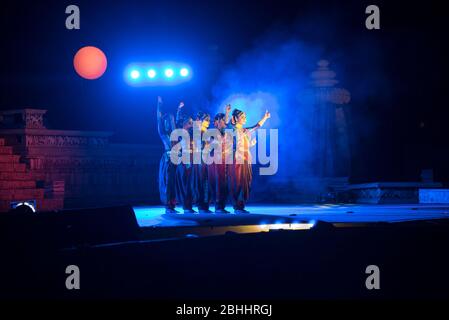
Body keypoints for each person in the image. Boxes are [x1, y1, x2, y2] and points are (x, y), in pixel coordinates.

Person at [229, 108, 270, 213]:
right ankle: (237, 206)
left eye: (245, 117)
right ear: (236, 119)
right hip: (238, 159)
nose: (244, 118)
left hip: (247, 159)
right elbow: (228, 126)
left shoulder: (245, 131)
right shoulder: (233, 129)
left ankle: (241, 206)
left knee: (246, 182)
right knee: (238, 182)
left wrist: (265, 117)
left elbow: (256, 126)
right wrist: (228, 113)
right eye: (242, 117)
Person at [208, 104, 232, 213]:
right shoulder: (212, 133)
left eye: (224, 121)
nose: (224, 123)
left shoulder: (226, 133)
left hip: (224, 161)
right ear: (216, 122)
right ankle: (218, 206)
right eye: (221, 121)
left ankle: (222, 206)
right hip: (216, 162)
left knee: (224, 184)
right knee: (218, 183)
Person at [157, 96, 178, 213]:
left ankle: (172, 205)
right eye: (169, 121)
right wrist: (159, 105)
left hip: (175, 159)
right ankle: (168, 205)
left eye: (172, 121)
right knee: (168, 182)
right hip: (167, 160)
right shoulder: (163, 134)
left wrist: (179, 111)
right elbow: (158, 118)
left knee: (173, 182)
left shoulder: (175, 135)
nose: (170, 123)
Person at [174, 102, 196, 213]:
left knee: (190, 183)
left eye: (192, 122)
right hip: (183, 160)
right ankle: (186, 206)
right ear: (186, 123)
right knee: (185, 183)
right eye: (190, 122)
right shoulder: (180, 133)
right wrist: (179, 109)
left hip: (190, 160)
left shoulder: (190, 134)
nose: (192, 124)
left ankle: (189, 205)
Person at [191, 111, 213, 213]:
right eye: (206, 120)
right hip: (200, 160)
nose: (209, 122)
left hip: (206, 160)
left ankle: (205, 205)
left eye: (209, 120)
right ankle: (201, 206)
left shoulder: (205, 132)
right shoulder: (198, 131)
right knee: (201, 182)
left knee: (206, 182)